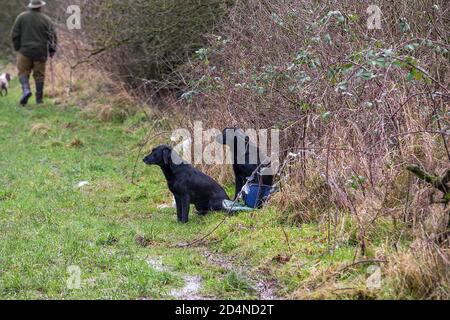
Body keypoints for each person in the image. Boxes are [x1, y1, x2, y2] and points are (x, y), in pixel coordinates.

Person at [11, 0, 57, 106]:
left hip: (24, 51)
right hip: (40, 52)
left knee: (23, 72)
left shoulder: (21, 17)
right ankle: (39, 100)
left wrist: (17, 47)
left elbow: (14, 34)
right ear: (40, 7)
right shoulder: (47, 19)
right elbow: (52, 37)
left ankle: (26, 91)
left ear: (30, 7)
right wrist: (52, 50)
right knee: (39, 75)